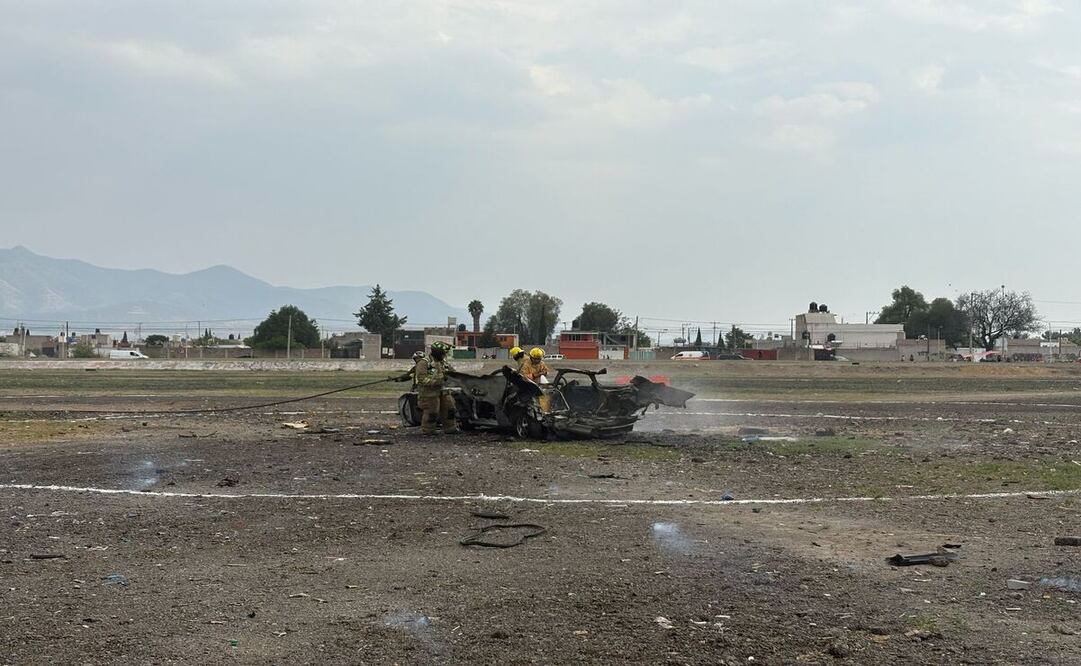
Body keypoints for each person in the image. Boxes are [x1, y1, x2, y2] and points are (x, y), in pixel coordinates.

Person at [415, 341, 458, 435]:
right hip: (429, 393)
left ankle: (450, 428)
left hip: (444, 391)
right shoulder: (424, 363)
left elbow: (453, 373)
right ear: (438, 353)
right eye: (443, 353)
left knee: (450, 409)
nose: (444, 356)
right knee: (432, 411)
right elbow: (421, 379)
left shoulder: (443, 363)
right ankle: (428, 430)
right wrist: (436, 381)